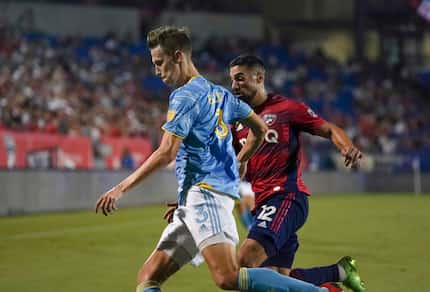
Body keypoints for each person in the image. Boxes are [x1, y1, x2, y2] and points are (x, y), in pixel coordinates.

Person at [95, 26, 331, 292]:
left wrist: (120, 188)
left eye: (160, 63)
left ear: (178, 57)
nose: (157, 70)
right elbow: (260, 130)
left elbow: (166, 152)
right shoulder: (220, 93)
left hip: (206, 196)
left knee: (228, 278)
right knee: (148, 276)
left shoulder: (184, 96)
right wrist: (240, 161)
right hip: (196, 198)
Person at [228, 55, 366, 292]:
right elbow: (231, 166)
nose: (234, 86)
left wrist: (346, 147)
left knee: (244, 263)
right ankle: (340, 272)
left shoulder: (287, 109)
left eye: (240, 79)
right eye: (232, 80)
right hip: (263, 204)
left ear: (259, 77)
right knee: (276, 279)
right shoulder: (237, 121)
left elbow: (329, 129)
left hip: (286, 197)